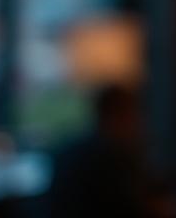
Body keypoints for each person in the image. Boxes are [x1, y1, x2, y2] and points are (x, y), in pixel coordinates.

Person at [49, 85, 145, 218]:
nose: (138, 125)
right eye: (134, 116)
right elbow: (129, 208)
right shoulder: (111, 157)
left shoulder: (72, 149)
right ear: (118, 116)